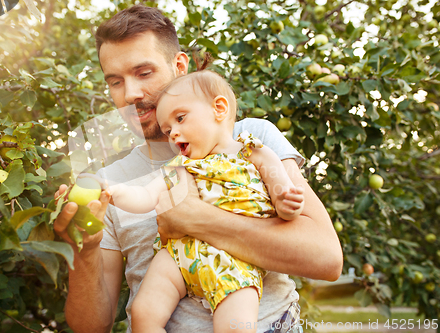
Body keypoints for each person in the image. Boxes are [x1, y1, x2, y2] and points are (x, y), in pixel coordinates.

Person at [52, 4, 343, 333]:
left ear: (179, 66)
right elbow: (91, 327)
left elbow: (326, 259)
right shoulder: (111, 184)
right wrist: (84, 251)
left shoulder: (251, 140)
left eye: (144, 73)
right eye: (116, 81)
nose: (130, 94)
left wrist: (195, 219)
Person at [104, 70, 305, 332]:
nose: (173, 133)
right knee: (144, 314)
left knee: (236, 326)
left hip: (235, 261)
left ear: (219, 109)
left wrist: (288, 204)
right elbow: (145, 196)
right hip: (179, 255)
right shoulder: (179, 166)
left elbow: (281, 191)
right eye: (168, 129)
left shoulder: (253, 151)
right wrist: (115, 193)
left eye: (180, 119)